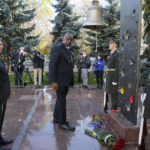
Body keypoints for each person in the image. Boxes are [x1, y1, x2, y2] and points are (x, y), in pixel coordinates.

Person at [49, 33, 75, 131]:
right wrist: (54, 81)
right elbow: (52, 65)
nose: (69, 41)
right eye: (67, 39)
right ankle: (62, 123)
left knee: (60, 99)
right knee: (62, 101)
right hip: (60, 81)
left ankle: (56, 118)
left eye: (71, 40)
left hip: (66, 80)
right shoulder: (58, 48)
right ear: (63, 38)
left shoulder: (67, 50)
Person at [0, 40, 13, 150]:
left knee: (1, 118)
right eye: (0, 44)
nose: (2, 46)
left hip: (2, 95)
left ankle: (0, 139)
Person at [105, 40, 119, 112]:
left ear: (115, 45)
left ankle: (115, 106)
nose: (109, 45)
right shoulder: (112, 53)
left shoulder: (117, 54)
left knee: (114, 92)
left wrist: (115, 80)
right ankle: (113, 105)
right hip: (110, 75)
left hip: (113, 76)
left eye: (110, 44)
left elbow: (117, 67)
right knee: (111, 91)